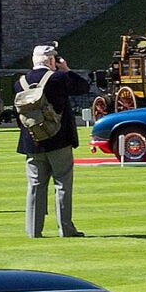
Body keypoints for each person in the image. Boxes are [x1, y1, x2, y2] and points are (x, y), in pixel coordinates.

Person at [16, 44, 90, 237]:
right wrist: (67, 69)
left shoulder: (20, 82)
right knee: (62, 184)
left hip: (32, 141)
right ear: (50, 60)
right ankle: (65, 228)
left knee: (35, 186)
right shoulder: (59, 78)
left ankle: (33, 229)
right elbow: (84, 87)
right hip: (59, 140)